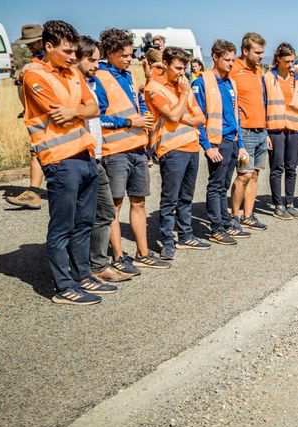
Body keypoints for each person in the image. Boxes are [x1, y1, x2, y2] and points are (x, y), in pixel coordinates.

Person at [23, 20, 104, 304]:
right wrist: (77, 110)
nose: (73, 57)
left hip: (85, 155)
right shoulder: (34, 75)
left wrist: (75, 110)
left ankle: (83, 276)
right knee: (62, 227)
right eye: (68, 51)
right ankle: (63, 286)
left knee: (84, 223)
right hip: (60, 160)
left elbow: (94, 108)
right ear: (48, 47)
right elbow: (55, 112)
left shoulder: (71, 72)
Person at [96, 27, 167, 272]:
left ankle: (143, 252)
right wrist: (129, 122)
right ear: (109, 53)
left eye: (130, 54)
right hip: (115, 152)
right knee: (114, 206)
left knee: (138, 203)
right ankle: (117, 256)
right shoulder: (100, 77)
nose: (129, 58)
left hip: (137, 149)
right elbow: (98, 118)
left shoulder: (129, 76)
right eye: (123, 55)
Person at [145, 46, 210, 260]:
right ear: (165, 64)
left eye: (185, 68)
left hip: (192, 146)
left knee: (186, 196)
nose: (182, 73)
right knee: (169, 198)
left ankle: (186, 235)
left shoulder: (184, 85)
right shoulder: (154, 87)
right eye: (178, 68)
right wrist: (182, 99)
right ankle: (167, 241)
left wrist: (182, 114)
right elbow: (171, 115)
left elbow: (200, 117)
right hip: (171, 149)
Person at [77, 37, 130, 285]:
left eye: (98, 59)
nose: (96, 65)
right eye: (91, 59)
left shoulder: (94, 82)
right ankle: (83, 269)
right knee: (82, 217)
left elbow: (102, 114)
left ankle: (98, 264)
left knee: (106, 211)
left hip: (96, 157)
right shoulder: (73, 85)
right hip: (79, 157)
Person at [192, 39, 248, 245]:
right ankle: (216, 228)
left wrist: (240, 143)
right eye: (227, 60)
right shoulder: (201, 82)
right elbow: (197, 117)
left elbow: (235, 115)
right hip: (217, 142)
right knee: (216, 186)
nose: (231, 64)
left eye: (233, 60)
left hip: (232, 140)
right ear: (215, 57)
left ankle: (225, 222)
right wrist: (207, 146)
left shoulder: (231, 83)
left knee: (224, 184)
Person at [229, 32, 269, 233]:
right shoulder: (233, 69)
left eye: (263, 53)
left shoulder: (258, 71)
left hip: (261, 131)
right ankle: (234, 215)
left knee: (254, 175)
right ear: (245, 51)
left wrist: (267, 132)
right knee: (243, 175)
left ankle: (248, 215)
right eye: (257, 52)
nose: (261, 56)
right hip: (244, 133)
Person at [6, 24, 46, 210]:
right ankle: (34, 192)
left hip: (51, 113)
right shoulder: (36, 59)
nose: (29, 46)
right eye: (27, 43)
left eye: (32, 42)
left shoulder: (51, 57)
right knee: (36, 150)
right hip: (37, 113)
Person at [264, 42, 298, 220]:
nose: (291, 64)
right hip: (275, 128)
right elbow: (263, 104)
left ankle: (290, 202)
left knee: (292, 167)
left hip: (294, 128)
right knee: (277, 167)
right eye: (287, 61)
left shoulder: (296, 78)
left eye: (293, 61)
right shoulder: (267, 77)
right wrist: (265, 133)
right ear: (278, 59)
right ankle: (278, 204)